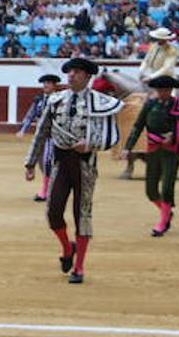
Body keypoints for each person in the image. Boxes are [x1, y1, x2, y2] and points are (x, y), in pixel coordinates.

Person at [24, 58, 124, 284]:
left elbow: (111, 136)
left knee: (82, 214)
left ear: (87, 77)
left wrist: (90, 144)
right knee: (53, 212)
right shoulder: (55, 100)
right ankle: (67, 248)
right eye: (70, 71)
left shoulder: (100, 102)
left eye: (77, 72)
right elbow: (42, 132)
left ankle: (79, 268)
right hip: (60, 163)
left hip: (84, 165)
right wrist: (30, 163)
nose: (71, 75)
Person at [117, 75, 179, 236]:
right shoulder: (150, 105)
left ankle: (163, 222)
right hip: (153, 149)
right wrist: (127, 148)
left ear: (171, 90)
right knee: (151, 191)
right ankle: (167, 212)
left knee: (167, 186)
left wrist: (174, 136)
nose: (163, 93)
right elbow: (138, 126)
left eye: (166, 90)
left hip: (172, 150)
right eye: (160, 90)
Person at [16, 74, 61, 202]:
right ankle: (50, 188)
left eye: (49, 83)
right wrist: (22, 130)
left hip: (53, 137)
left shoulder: (59, 100)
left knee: (47, 162)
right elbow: (30, 116)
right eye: (44, 83)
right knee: (41, 163)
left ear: (54, 85)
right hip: (40, 137)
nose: (45, 85)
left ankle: (46, 192)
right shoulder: (39, 100)